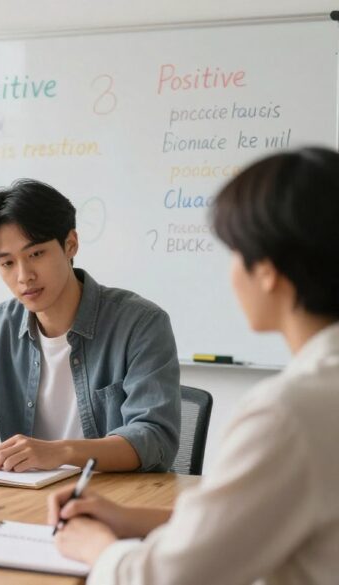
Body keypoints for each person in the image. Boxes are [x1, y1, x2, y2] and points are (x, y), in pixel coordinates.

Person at [50, 147, 339, 584]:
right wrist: (127, 519)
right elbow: (240, 527)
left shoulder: (288, 414)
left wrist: (96, 547)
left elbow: (168, 578)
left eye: (235, 253)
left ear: (268, 271)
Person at [0, 179, 181, 473]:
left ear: (71, 244)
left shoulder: (141, 324)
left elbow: (154, 438)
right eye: (7, 263)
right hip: (25, 502)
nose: (24, 276)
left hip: (113, 503)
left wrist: (61, 452)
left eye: (36, 254)